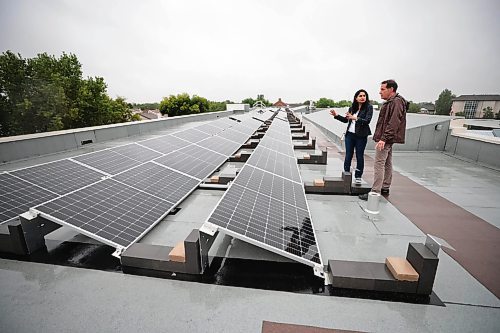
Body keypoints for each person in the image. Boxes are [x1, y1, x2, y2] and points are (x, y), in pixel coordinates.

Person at [359, 79, 407, 200]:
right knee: (387, 162)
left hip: (386, 138)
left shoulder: (396, 102)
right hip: (387, 138)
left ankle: (375, 191)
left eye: (382, 89)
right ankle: (385, 186)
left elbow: (394, 122)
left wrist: (384, 138)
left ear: (391, 90)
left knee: (379, 163)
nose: (380, 92)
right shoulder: (393, 102)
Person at [330, 89, 373, 184]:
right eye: (360, 96)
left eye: (364, 96)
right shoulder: (352, 108)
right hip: (350, 135)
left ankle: (358, 176)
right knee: (348, 154)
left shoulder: (369, 107)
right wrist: (336, 115)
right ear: (356, 98)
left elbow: (367, 121)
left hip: (361, 136)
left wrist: (355, 118)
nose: (362, 97)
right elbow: (346, 120)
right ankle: (346, 173)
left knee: (359, 155)